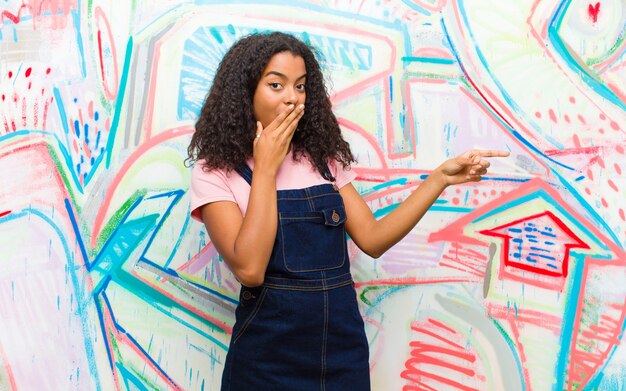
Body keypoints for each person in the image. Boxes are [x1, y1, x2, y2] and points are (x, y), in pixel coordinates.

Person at [187, 31, 509, 391]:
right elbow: (249, 269)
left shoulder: (322, 160)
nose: (292, 98)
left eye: (301, 86)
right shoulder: (214, 170)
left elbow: (373, 239)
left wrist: (439, 180)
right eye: (276, 85)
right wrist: (265, 167)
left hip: (341, 354)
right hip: (265, 360)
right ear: (245, 92)